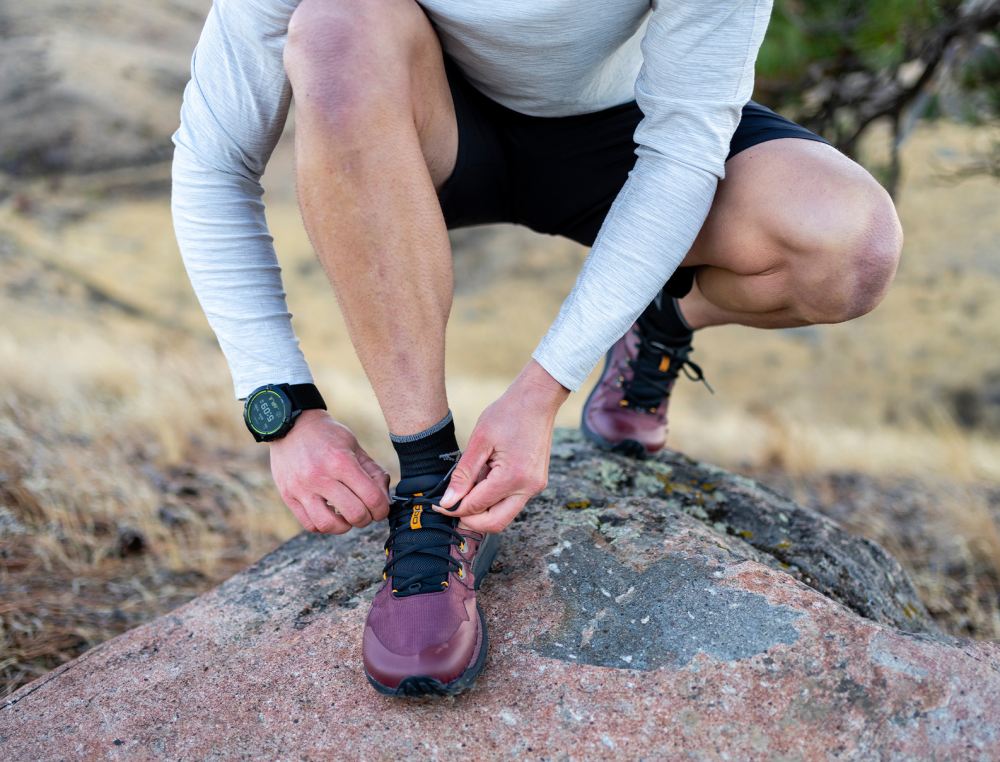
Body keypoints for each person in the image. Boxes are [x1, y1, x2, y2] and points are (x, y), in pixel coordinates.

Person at [171, 0, 903, 697]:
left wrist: (542, 388)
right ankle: (429, 487)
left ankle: (663, 315)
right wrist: (284, 408)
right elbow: (213, 158)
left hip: (627, 134)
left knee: (849, 249)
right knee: (335, 26)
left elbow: (683, 150)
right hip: (423, 120)